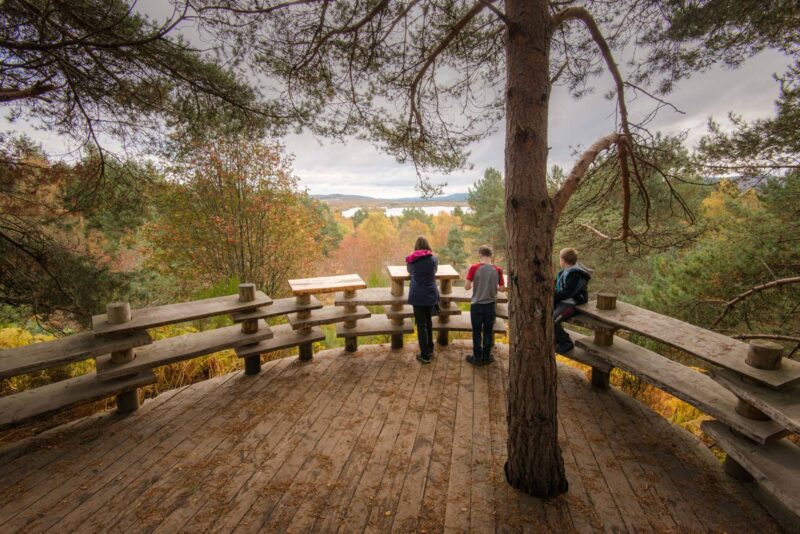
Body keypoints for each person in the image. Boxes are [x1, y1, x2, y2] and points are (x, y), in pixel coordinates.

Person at [464, 245, 505, 366]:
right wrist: (492, 287)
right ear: (491, 256)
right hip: (490, 305)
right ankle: (486, 357)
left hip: (476, 305)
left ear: (480, 255)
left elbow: (466, 287)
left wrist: (473, 282)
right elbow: (502, 289)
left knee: (476, 332)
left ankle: (477, 358)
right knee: (488, 331)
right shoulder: (497, 269)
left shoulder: (473, 268)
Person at [406, 235, 439, 364]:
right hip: (431, 294)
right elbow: (434, 271)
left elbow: (410, 271)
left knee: (421, 325)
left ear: (416, 246)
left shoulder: (412, 260)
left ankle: (424, 355)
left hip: (418, 295)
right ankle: (430, 349)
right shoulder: (434, 259)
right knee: (429, 321)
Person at [553, 247, 592, 354]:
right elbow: (559, 285)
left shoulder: (575, 274)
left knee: (553, 320)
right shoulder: (566, 271)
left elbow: (567, 293)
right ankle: (554, 338)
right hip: (564, 301)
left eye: (560, 258)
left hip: (573, 304)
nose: (559, 260)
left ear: (564, 261)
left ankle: (566, 343)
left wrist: (551, 295)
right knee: (543, 312)